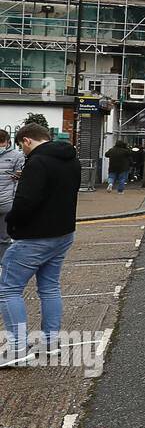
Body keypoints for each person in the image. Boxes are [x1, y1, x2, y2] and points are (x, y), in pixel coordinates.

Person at [0, 124, 79, 366]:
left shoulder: (36, 163)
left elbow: (25, 202)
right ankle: (50, 342)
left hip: (35, 237)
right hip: (63, 233)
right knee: (49, 287)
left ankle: (17, 350)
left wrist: (11, 223)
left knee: (8, 289)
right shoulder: (71, 159)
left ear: (26, 141)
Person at [0, 130, 25, 254]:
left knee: (4, 238)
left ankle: (3, 265)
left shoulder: (17, 156)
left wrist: (19, 176)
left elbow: (22, 176)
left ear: (8, 142)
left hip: (7, 202)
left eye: (1, 143)